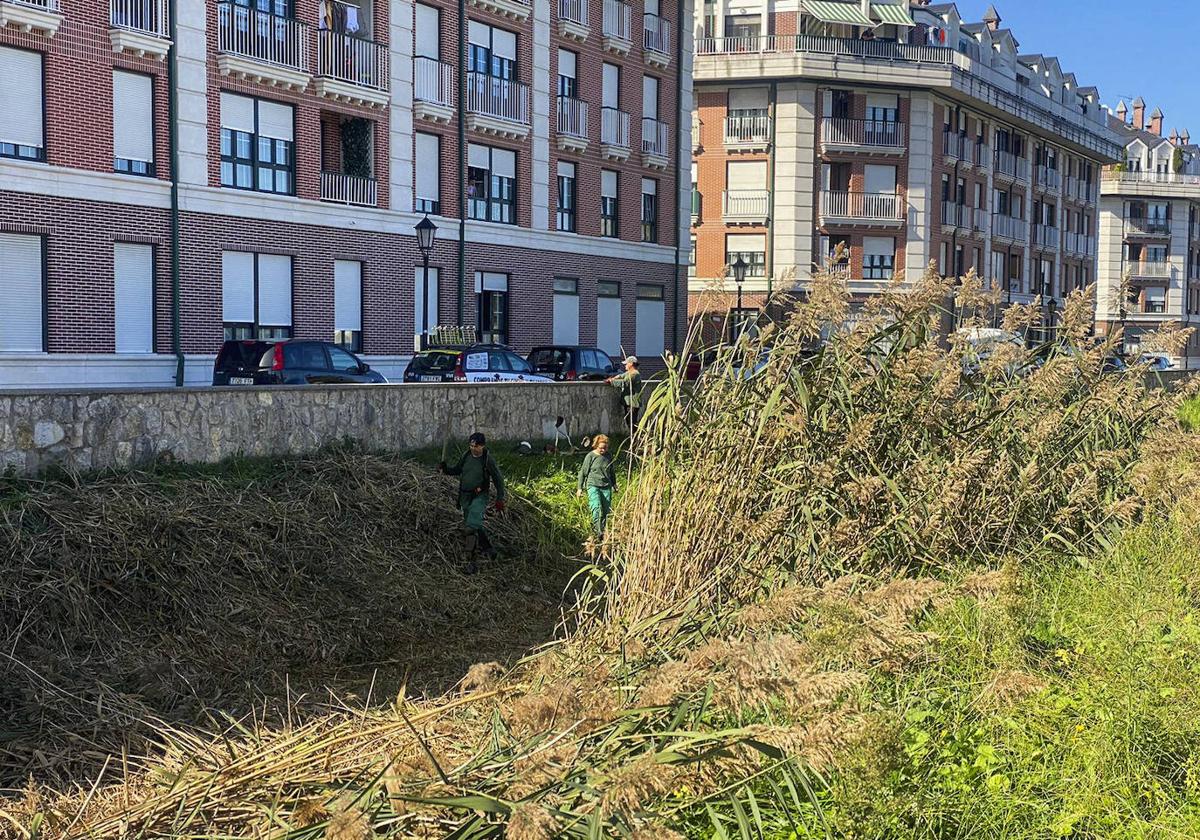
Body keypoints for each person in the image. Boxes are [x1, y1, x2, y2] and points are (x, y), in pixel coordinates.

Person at [439, 432, 506, 572]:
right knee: (475, 525)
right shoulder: (466, 456)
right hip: (465, 497)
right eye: (471, 445)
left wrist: (500, 499)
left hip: (479, 496)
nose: (473, 449)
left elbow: (499, 480)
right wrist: (445, 469)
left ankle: (471, 562)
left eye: (476, 446)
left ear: (482, 446)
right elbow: (457, 470)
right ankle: (489, 549)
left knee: (470, 527)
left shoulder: (487, 460)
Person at [576, 434, 617, 536]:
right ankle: (597, 530)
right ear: (595, 446)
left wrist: (614, 484)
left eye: (605, 448)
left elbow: (611, 471)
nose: (603, 450)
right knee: (596, 507)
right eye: (601, 448)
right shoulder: (590, 456)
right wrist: (579, 488)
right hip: (593, 485)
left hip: (606, 485)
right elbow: (583, 472)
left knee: (606, 510)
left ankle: (603, 530)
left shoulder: (608, 456)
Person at [606, 355, 643, 433]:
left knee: (631, 422)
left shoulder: (634, 374)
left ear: (631, 364)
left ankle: (635, 438)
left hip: (632, 403)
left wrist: (612, 382)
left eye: (626, 364)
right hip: (629, 402)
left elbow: (625, 382)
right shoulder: (629, 373)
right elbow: (622, 375)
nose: (625, 365)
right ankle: (634, 437)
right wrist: (614, 378)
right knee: (629, 421)